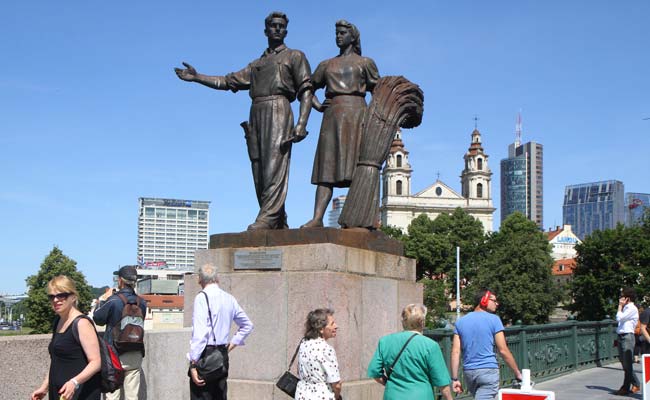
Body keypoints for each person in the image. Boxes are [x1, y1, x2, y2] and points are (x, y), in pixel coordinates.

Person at [175, 11, 312, 230]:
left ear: (286, 30)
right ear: (265, 31)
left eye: (281, 26)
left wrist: (302, 123)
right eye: (273, 26)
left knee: (273, 166)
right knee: (258, 169)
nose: (277, 29)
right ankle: (277, 221)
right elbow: (227, 81)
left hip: (278, 109)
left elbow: (306, 90)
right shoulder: (256, 64)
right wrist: (197, 77)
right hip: (256, 111)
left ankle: (267, 217)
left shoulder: (294, 56)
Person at [301, 20, 379, 228]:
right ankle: (317, 218)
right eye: (336, 33)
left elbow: (378, 92)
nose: (338, 36)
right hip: (332, 118)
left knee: (357, 169)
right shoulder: (326, 64)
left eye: (342, 33)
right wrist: (317, 106)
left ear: (353, 37)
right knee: (325, 172)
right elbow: (307, 87)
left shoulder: (365, 63)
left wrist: (374, 118)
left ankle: (358, 218)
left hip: (357, 116)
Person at [188, 264, 254, 400]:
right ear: (217, 278)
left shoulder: (201, 298)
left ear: (199, 279)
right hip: (222, 356)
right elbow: (247, 325)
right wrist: (230, 346)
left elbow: (200, 335)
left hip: (205, 356)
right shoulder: (229, 298)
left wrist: (193, 364)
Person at [31, 275, 101, 400]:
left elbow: (96, 362)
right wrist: (44, 387)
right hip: (60, 393)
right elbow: (57, 361)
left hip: (79, 393)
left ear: (73, 297)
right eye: (51, 296)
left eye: (61, 295)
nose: (56, 300)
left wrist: (74, 382)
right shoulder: (58, 321)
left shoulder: (81, 323)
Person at [368, 304, 453, 400]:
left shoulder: (385, 341)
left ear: (403, 322)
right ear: (422, 322)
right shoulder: (430, 346)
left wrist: (390, 383)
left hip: (393, 395)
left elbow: (374, 372)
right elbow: (442, 384)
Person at [451, 289, 522, 400]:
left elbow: (455, 352)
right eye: (494, 300)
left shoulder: (461, 322)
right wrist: (517, 372)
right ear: (484, 300)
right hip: (488, 370)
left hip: (469, 372)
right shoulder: (494, 320)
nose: (497, 303)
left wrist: (455, 378)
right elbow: (503, 349)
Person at [93, 265, 147, 400]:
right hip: (135, 351)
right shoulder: (142, 302)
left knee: (112, 395)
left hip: (114, 353)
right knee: (132, 395)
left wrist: (102, 300)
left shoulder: (114, 300)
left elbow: (97, 319)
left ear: (120, 281)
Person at [295, 308, 342, 400]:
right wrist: (336, 396)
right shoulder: (326, 349)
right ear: (321, 329)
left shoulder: (304, 342)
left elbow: (299, 370)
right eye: (332, 324)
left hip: (301, 395)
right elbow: (336, 384)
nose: (336, 326)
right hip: (321, 396)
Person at [614, 287, 641, 395]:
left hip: (627, 337)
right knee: (624, 363)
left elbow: (618, 318)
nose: (620, 298)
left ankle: (628, 386)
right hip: (621, 336)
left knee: (627, 364)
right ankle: (633, 384)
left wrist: (620, 306)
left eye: (622, 296)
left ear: (627, 298)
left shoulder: (631, 308)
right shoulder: (626, 308)